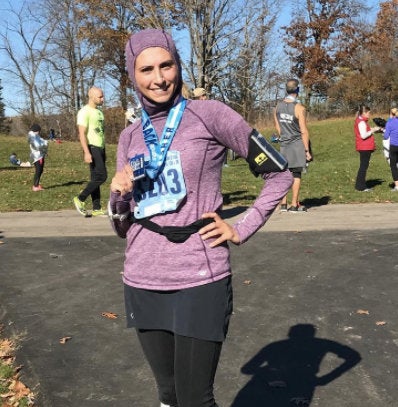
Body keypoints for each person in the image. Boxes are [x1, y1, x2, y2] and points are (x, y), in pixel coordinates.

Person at [108, 29, 293, 407]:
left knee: (195, 398)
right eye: (146, 69)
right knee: (168, 394)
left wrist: (242, 227)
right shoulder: (129, 136)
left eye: (166, 65)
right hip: (143, 275)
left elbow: (280, 174)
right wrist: (118, 195)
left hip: (199, 273)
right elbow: (121, 226)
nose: (158, 78)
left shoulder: (209, 115)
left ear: (178, 65)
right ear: (132, 75)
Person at [274, 79, 312, 211]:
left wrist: (282, 137)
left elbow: (277, 126)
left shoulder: (278, 106)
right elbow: (304, 130)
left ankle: (283, 203)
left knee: (284, 174)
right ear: (297, 90)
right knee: (296, 174)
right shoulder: (299, 108)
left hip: (284, 144)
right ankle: (294, 204)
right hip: (296, 144)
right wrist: (307, 150)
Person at [73, 86, 107, 216]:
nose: (103, 99)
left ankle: (96, 208)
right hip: (92, 147)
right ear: (92, 97)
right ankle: (80, 198)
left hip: (100, 147)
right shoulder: (84, 112)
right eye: (100, 97)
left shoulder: (99, 112)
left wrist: (104, 149)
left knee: (95, 177)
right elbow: (82, 133)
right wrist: (86, 152)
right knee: (102, 176)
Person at [353, 105, 381, 192]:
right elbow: (363, 135)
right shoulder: (361, 122)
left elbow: (365, 131)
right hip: (364, 147)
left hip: (364, 146)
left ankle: (360, 185)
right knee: (363, 166)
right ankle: (360, 186)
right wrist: (373, 130)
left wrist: (373, 129)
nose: (369, 114)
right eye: (368, 113)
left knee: (363, 166)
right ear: (364, 113)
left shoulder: (362, 121)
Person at [27, 124, 48, 191]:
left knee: (40, 170)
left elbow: (41, 140)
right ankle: (35, 186)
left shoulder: (36, 135)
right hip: (37, 157)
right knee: (38, 171)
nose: (39, 132)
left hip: (40, 155)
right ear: (36, 130)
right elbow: (37, 146)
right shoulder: (32, 137)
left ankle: (37, 185)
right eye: (38, 131)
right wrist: (44, 145)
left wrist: (45, 143)